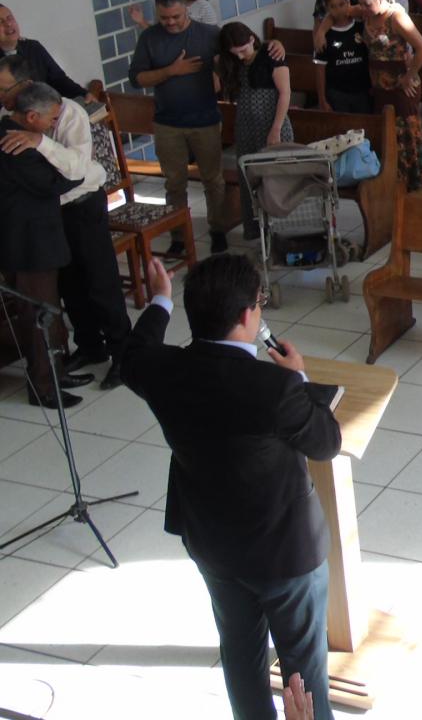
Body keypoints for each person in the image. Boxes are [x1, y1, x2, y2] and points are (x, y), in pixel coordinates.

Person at [120, 252, 341, 719]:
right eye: (260, 302)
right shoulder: (275, 387)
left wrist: (159, 299)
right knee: (303, 668)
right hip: (284, 553)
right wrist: (300, 378)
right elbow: (326, 443)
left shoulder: (161, 369)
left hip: (212, 543)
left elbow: (132, 353)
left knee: (240, 652)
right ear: (246, 315)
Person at [2, 75, 129, 389]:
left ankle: (123, 357)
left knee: (101, 283)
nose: (4, 96)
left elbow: (78, 168)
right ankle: (90, 347)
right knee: (71, 286)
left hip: (83, 205)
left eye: (5, 88)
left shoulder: (68, 112)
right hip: (52, 213)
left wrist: (41, 142)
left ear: (24, 83)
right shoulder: (14, 120)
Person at [0, 83, 93, 408]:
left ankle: (57, 371)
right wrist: (81, 169)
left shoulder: (20, 134)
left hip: (36, 239)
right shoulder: (16, 146)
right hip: (29, 246)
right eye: (51, 119)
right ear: (31, 116)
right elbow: (57, 181)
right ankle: (43, 386)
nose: (54, 125)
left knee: (50, 310)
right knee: (38, 316)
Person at [128, 0, 230, 253]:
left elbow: (236, 59)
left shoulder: (209, 34)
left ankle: (218, 230)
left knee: (213, 180)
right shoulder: (150, 37)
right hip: (168, 122)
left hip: (205, 120)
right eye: (164, 18)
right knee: (174, 183)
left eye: (175, 16)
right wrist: (171, 71)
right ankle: (179, 236)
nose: (170, 22)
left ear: (186, 9)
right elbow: (137, 79)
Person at [316, 0, 422, 191]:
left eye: (366, 4)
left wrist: (408, 76)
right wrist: (321, 31)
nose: (363, 9)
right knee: (386, 132)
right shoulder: (366, 11)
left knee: (406, 132)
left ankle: (413, 182)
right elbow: (336, 14)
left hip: (401, 84)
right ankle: (390, 179)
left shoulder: (396, 16)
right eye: (360, 4)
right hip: (379, 85)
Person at [216, 22, 294, 239]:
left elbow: (285, 93)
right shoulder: (232, 61)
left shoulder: (271, 55)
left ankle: (280, 233)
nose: (240, 56)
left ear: (252, 39)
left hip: (272, 125)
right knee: (248, 178)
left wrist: (275, 129)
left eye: (243, 50)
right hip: (246, 128)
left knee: (274, 181)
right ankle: (256, 231)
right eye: (235, 53)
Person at [0, 5, 88, 101]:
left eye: (10, 18)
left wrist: (84, 94)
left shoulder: (33, 47)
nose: (8, 24)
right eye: (1, 21)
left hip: (46, 107)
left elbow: (59, 80)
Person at [312, 0, 371, 114]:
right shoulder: (324, 36)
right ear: (327, 9)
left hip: (362, 90)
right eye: (333, 7)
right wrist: (322, 99)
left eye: (341, 4)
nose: (338, 10)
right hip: (337, 92)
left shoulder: (360, 26)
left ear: (348, 3)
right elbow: (320, 69)